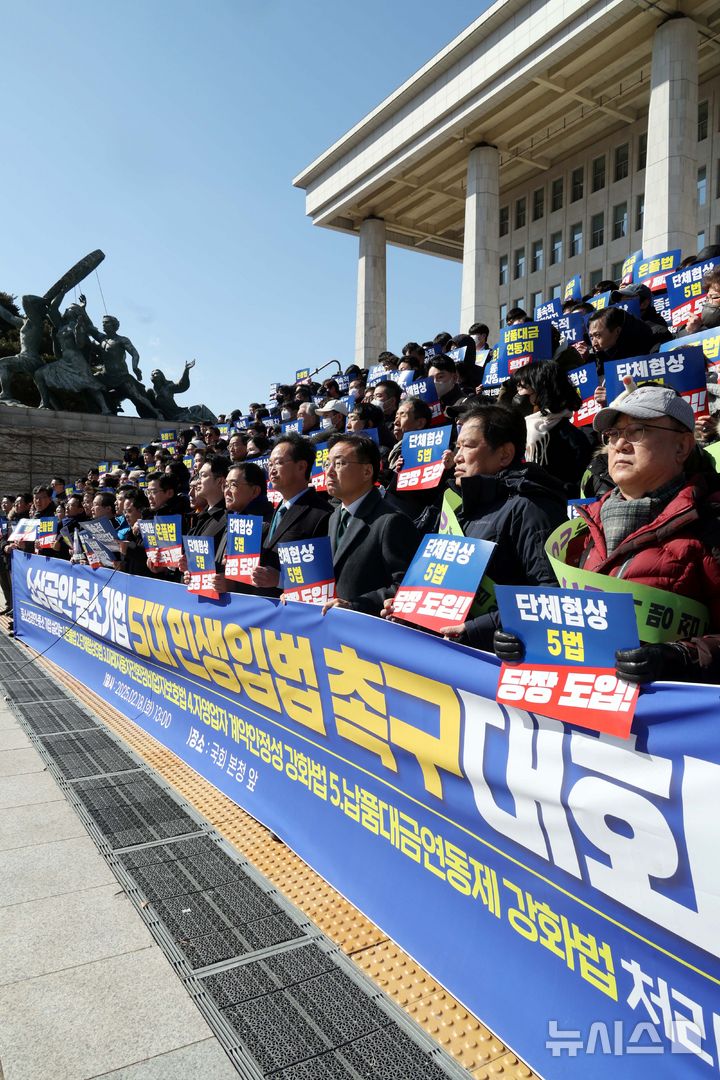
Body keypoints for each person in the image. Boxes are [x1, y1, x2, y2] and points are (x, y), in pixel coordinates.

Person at [495, 385, 720, 683]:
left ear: (682, 446)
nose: (620, 445)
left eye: (637, 430)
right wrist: (527, 636)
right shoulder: (583, 529)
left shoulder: (711, 525)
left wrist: (681, 656)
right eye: (613, 435)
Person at [417, 403, 568, 650]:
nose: (458, 456)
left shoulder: (531, 507)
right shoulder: (458, 505)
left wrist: (477, 629)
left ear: (505, 454)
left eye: (468, 445)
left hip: (494, 657)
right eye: (458, 446)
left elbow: (550, 597)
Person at [322, 434, 420, 617]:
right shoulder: (335, 516)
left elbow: (407, 586)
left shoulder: (391, 521)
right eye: (327, 464)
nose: (329, 472)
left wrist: (355, 606)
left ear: (367, 472)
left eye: (339, 464)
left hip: (370, 631)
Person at [251, 433, 332, 592]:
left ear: (301, 466)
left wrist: (281, 580)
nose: (272, 470)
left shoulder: (323, 514)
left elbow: (323, 576)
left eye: (278, 463)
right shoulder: (278, 510)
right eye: (270, 464)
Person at [512, 360, 593, 496]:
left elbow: (577, 487)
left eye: (522, 387)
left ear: (540, 390)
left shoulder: (571, 438)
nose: (517, 393)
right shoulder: (519, 429)